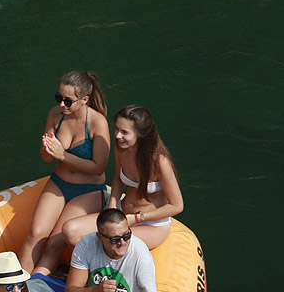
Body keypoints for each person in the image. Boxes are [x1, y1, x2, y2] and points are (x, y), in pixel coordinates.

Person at [45, 105, 183, 270]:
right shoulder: (122, 150)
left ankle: (102, 273)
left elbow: (177, 206)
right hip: (121, 214)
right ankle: (95, 270)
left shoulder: (159, 162)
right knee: (70, 230)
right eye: (117, 129)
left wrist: (137, 218)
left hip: (150, 224)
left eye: (124, 132)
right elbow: (118, 180)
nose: (117, 136)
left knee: (110, 241)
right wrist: (111, 207)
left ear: (141, 134)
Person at [18, 71, 110, 274]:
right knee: (35, 235)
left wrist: (63, 155)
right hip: (59, 182)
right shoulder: (55, 115)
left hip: (89, 190)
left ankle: (33, 289)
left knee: (53, 244)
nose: (62, 105)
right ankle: (17, 288)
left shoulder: (97, 122)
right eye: (58, 98)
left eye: (68, 101)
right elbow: (46, 158)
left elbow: (99, 167)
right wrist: (48, 149)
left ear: (84, 100)